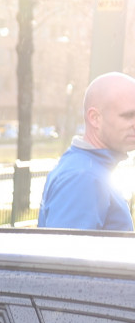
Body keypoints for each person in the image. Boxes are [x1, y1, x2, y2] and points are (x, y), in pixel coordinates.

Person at [37, 72, 135, 231]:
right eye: (128, 116)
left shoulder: (88, 168)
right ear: (95, 118)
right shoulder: (83, 176)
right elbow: (64, 253)